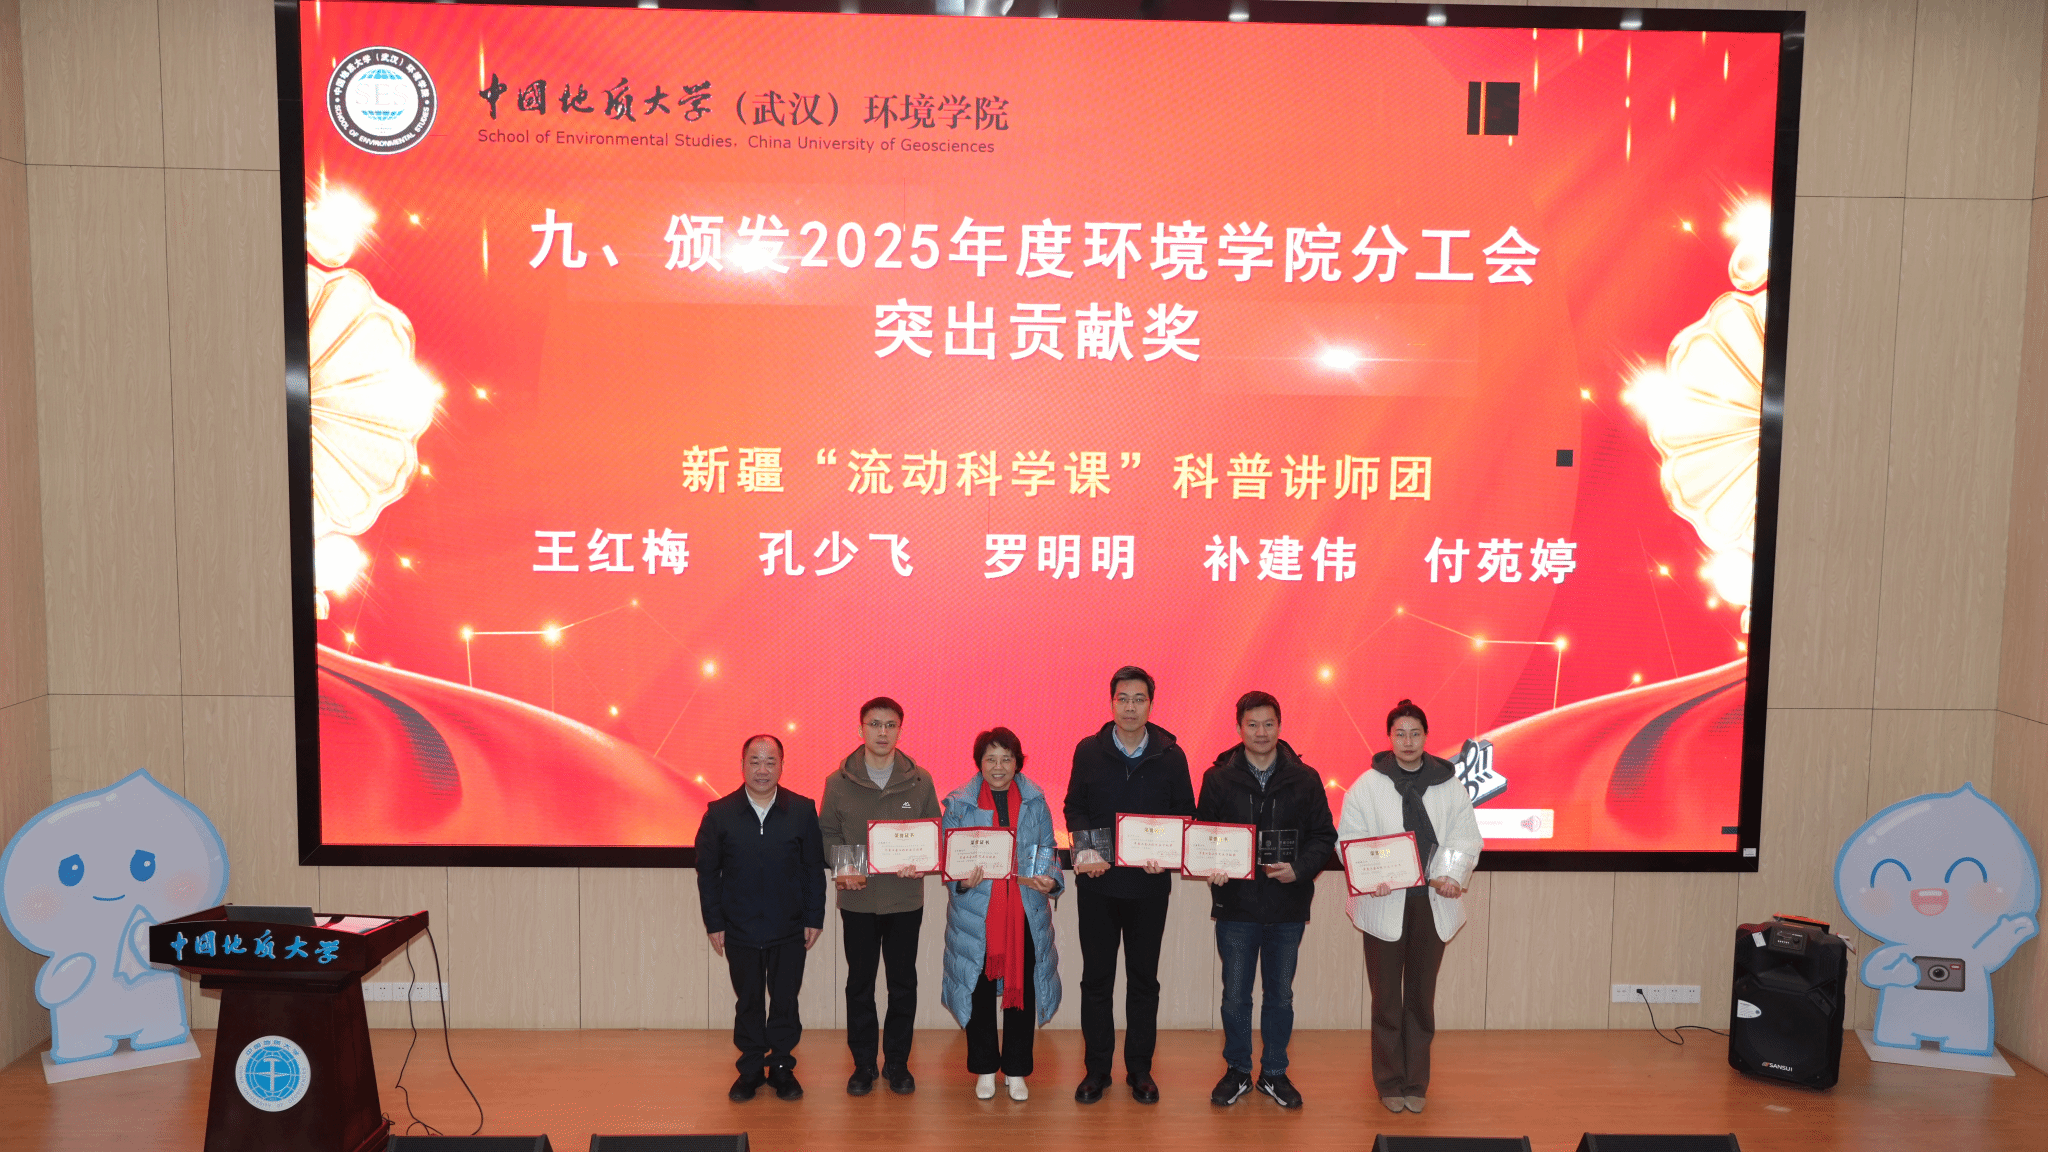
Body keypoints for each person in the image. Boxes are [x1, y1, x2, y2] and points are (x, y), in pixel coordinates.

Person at [1196, 690, 1337, 1110]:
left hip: (1287, 906)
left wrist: (1300, 869)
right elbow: (1205, 836)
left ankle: (1274, 1072)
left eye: (1269, 724)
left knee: (1280, 996)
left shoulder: (1305, 778)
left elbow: (1323, 836)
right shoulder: (1218, 778)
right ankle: (1238, 1070)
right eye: (1252, 724)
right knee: (1235, 997)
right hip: (1236, 906)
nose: (1261, 732)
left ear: (1280, 726)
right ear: (1239, 728)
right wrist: (1213, 867)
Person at [1339, 699, 1481, 1115]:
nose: (1407, 741)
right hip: (1384, 903)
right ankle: (1388, 1081)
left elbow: (1465, 837)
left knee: (1420, 997)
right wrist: (1371, 877)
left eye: (1415, 733)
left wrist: (1451, 876)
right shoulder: (1367, 785)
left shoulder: (1448, 784)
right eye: (1399, 733)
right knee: (1386, 999)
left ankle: (1416, 1081)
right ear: (1389, 737)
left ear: (1426, 736)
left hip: (1430, 904)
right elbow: (1350, 839)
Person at [1062, 665, 1194, 1104]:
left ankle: (1140, 1070)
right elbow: (1074, 806)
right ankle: (1096, 1070)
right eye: (1123, 698)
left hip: (1148, 889)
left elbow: (1185, 813)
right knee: (1096, 981)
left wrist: (1168, 854)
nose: (1131, 707)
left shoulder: (1171, 755)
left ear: (1150, 705)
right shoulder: (1088, 750)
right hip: (1098, 887)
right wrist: (1085, 851)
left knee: (1143, 982)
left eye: (1139, 699)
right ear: (1111, 702)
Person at [819, 696, 940, 1096]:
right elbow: (827, 833)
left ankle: (898, 1064)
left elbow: (933, 833)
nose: (882, 732)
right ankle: (864, 1065)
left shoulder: (920, 780)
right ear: (861, 730)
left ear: (900, 730)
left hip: (905, 899)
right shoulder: (838, 782)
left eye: (890, 725)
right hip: (858, 900)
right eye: (874, 724)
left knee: (902, 984)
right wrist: (844, 867)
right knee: (860, 984)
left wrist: (922, 861)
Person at [695, 734, 826, 1102]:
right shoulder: (720, 813)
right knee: (749, 1001)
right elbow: (708, 873)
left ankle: (782, 1067)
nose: (763, 769)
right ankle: (750, 1068)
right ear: (742, 765)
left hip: (790, 927)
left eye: (771, 761)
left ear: (782, 766)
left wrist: (814, 916)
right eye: (755, 761)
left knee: (785, 1001)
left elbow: (813, 869)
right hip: (740, 928)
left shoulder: (802, 810)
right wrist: (714, 922)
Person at [940, 728, 1064, 1101]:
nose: (998, 766)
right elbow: (949, 856)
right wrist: (961, 881)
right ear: (979, 763)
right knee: (978, 991)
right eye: (990, 758)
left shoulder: (1035, 801)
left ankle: (1016, 1070)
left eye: (1006, 758)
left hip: (1024, 909)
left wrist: (1050, 879)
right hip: (976, 913)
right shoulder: (959, 804)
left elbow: (1048, 849)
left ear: (1017, 762)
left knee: (1021, 990)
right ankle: (983, 1069)